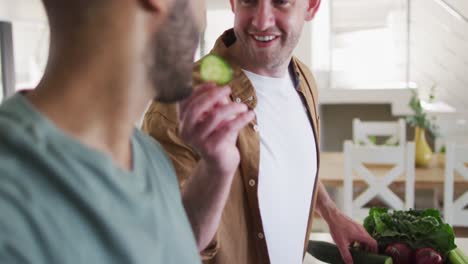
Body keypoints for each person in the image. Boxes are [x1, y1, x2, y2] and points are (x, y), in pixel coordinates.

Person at [0, 0, 254, 263]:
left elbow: (168, 247)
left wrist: (215, 169)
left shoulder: (148, 154)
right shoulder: (10, 208)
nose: (201, 17)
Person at [142, 0, 379, 263]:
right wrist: (215, 168)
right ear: (233, 3)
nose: (262, 20)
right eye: (249, 1)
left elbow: (284, 156)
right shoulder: (179, 103)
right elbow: (167, 243)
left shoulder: (304, 79)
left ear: (311, 6)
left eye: (281, 2)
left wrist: (330, 211)